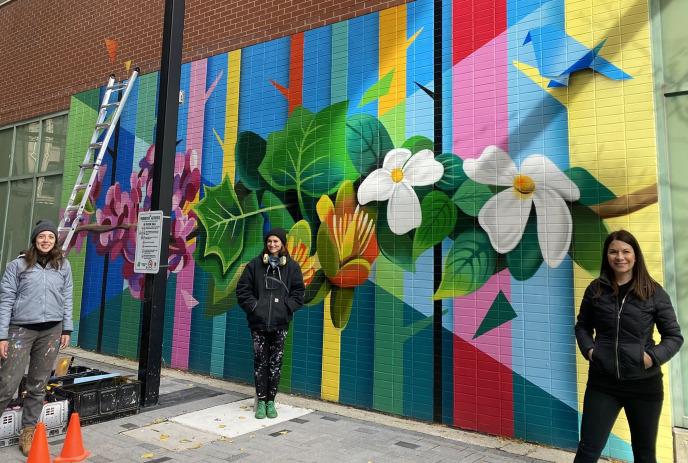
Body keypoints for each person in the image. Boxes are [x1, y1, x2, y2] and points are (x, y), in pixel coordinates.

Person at [574, 230, 683, 463]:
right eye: (613, 251)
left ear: (635, 256)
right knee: (588, 451)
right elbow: (582, 327)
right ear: (607, 256)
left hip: (644, 386)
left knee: (644, 455)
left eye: (626, 251)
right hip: (602, 384)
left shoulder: (653, 292)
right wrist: (591, 351)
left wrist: (650, 357)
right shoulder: (596, 290)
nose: (619, 257)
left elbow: (674, 336)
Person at [0, 220, 73, 456]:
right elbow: (6, 300)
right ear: (35, 240)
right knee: (7, 383)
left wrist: (67, 329)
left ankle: (28, 430)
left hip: (51, 331)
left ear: (55, 241)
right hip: (20, 330)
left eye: (50, 237)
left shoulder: (63, 265)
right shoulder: (17, 266)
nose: (46, 241)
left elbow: (68, 297)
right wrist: (2, 335)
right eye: (42, 236)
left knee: (38, 384)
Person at [236, 228, 304, 419]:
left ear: (282, 244)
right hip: (258, 324)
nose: (272, 245)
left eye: (276, 241)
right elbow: (242, 291)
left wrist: (285, 308)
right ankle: (260, 401)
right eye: (269, 241)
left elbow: (299, 294)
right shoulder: (254, 266)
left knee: (275, 364)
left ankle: (271, 402)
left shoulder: (292, 267)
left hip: (280, 324)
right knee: (260, 363)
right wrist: (255, 307)